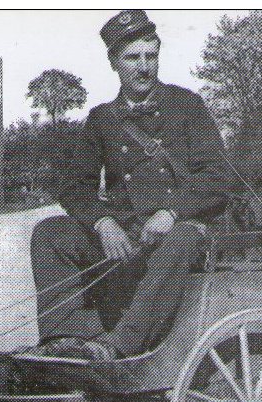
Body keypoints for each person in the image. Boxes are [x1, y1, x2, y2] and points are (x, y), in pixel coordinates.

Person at [28, 9, 229, 360]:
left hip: (183, 230)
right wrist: (103, 222)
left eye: (150, 56)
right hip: (128, 237)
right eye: (132, 57)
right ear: (114, 63)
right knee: (50, 233)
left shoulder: (187, 106)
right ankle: (68, 339)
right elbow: (75, 187)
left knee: (181, 237)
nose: (143, 67)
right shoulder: (102, 119)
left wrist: (171, 211)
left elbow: (217, 178)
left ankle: (118, 347)